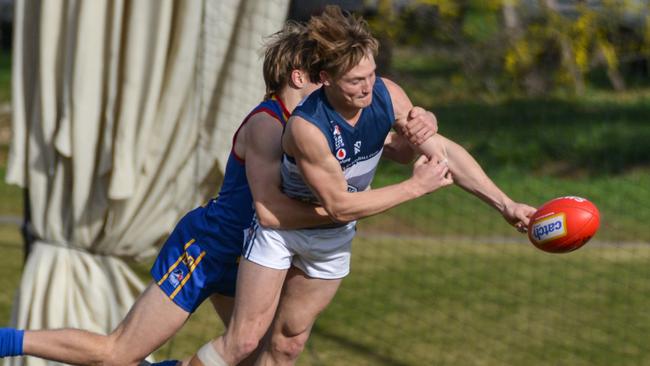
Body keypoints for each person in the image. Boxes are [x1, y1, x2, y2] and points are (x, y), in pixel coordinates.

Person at [183, 6, 537, 366]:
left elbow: (442, 151)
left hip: (332, 238)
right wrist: (414, 188)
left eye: (371, 74)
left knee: (288, 344)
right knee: (244, 340)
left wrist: (506, 205)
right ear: (326, 78)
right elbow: (338, 206)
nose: (368, 87)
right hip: (284, 232)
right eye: (355, 81)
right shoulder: (308, 128)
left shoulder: (387, 95)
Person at [0, 21, 334, 366]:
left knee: (270, 353)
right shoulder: (268, 124)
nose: (330, 88)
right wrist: (342, 210)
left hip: (249, 258)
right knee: (116, 354)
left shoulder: (310, 130)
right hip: (208, 249)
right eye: (323, 78)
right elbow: (269, 210)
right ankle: (5, 340)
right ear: (298, 77)